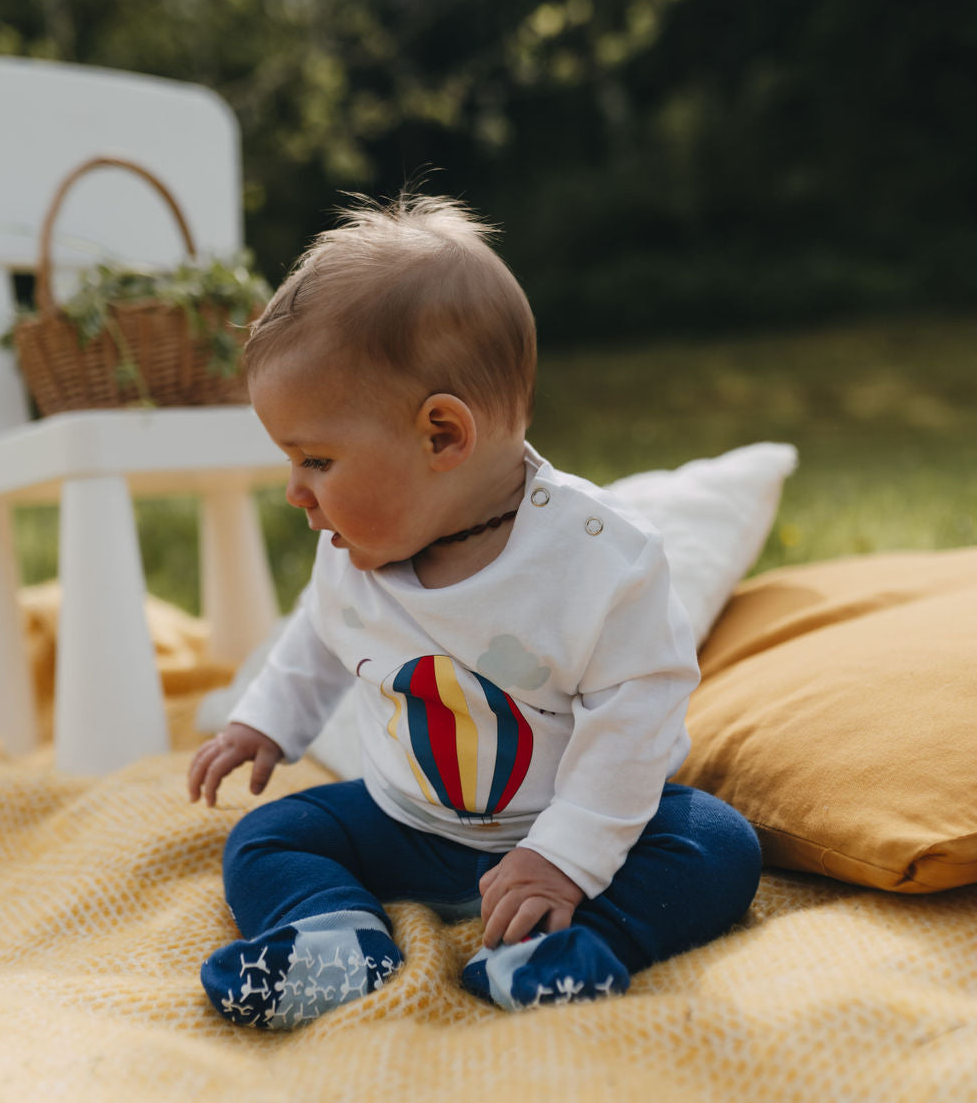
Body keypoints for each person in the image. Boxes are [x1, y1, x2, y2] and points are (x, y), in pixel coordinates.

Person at [188, 193, 761, 1028]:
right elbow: (321, 628)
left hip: (571, 824)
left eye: (316, 458)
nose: (294, 491)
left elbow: (638, 714)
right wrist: (264, 724)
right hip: (407, 823)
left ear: (442, 437)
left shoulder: (598, 561)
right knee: (270, 838)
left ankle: (561, 949)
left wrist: (562, 859)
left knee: (717, 845)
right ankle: (332, 938)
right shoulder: (355, 542)